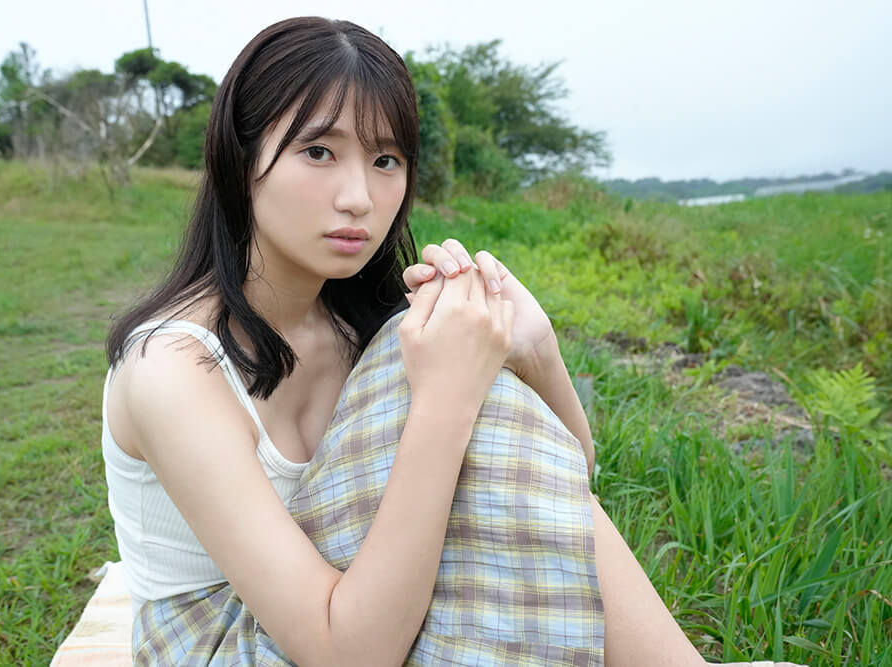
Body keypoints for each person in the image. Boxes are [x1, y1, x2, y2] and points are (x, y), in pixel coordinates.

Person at [102, 16, 805, 667]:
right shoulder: (173, 368)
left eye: (385, 160)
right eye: (318, 151)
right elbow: (346, 655)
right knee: (440, 363)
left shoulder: (354, 325)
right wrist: (446, 397)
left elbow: (564, 476)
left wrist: (534, 350)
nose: (358, 197)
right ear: (238, 158)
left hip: (348, 599)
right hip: (222, 638)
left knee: (443, 340)